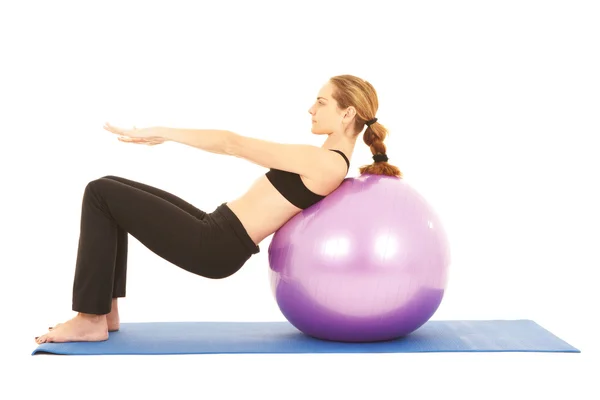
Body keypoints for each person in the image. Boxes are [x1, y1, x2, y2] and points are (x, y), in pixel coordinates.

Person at [34, 74, 402, 344]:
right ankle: (104, 312)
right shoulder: (324, 159)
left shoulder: (327, 164)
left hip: (216, 246)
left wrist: (166, 132)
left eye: (321, 102)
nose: (311, 107)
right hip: (216, 226)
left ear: (347, 113)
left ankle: (89, 318)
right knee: (111, 188)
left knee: (100, 193)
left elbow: (232, 143)